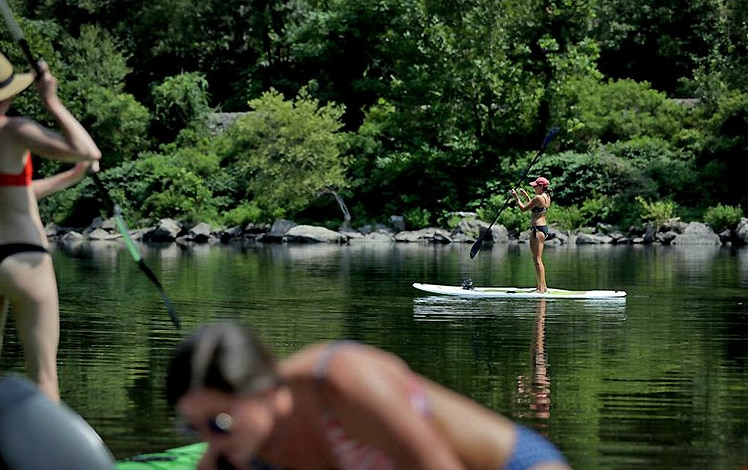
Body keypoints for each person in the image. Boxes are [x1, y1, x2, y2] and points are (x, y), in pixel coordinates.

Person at [166, 322, 571, 470]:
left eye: (219, 422)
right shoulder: (229, 452)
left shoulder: (341, 382)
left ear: (268, 392)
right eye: (192, 427)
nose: (209, 440)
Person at [0, 52, 101, 402]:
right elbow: (87, 151)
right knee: (43, 376)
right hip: (25, 257)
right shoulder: (13, 129)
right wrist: (51, 101)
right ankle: (46, 458)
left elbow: (15, 191)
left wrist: (69, 178)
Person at [511, 177, 551, 293]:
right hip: (542, 228)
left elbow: (523, 208)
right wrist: (525, 196)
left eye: (535, 186)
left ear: (541, 187)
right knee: (537, 259)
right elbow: (534, 206)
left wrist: (516, 198)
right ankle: (543, 286)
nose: (533, 187)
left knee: (537, 259)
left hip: (537, 229)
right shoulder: (547, 197)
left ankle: (541, 288)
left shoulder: (538, 197)